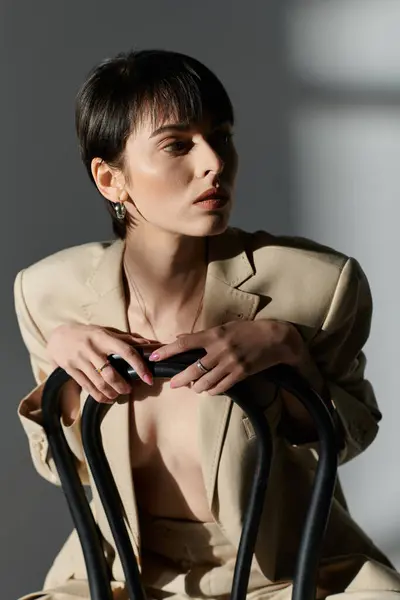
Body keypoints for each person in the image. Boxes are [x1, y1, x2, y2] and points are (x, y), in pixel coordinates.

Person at [14, 49, 400, 600]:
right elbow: (62, 468)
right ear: (109, 178)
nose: (214, 162)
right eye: (177, 145)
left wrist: (292, 357)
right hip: (120, 579)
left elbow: (348, 436)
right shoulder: (48, 293)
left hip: (290, 574)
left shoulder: (317, 284)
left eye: (220, 136)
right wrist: (67, 384)